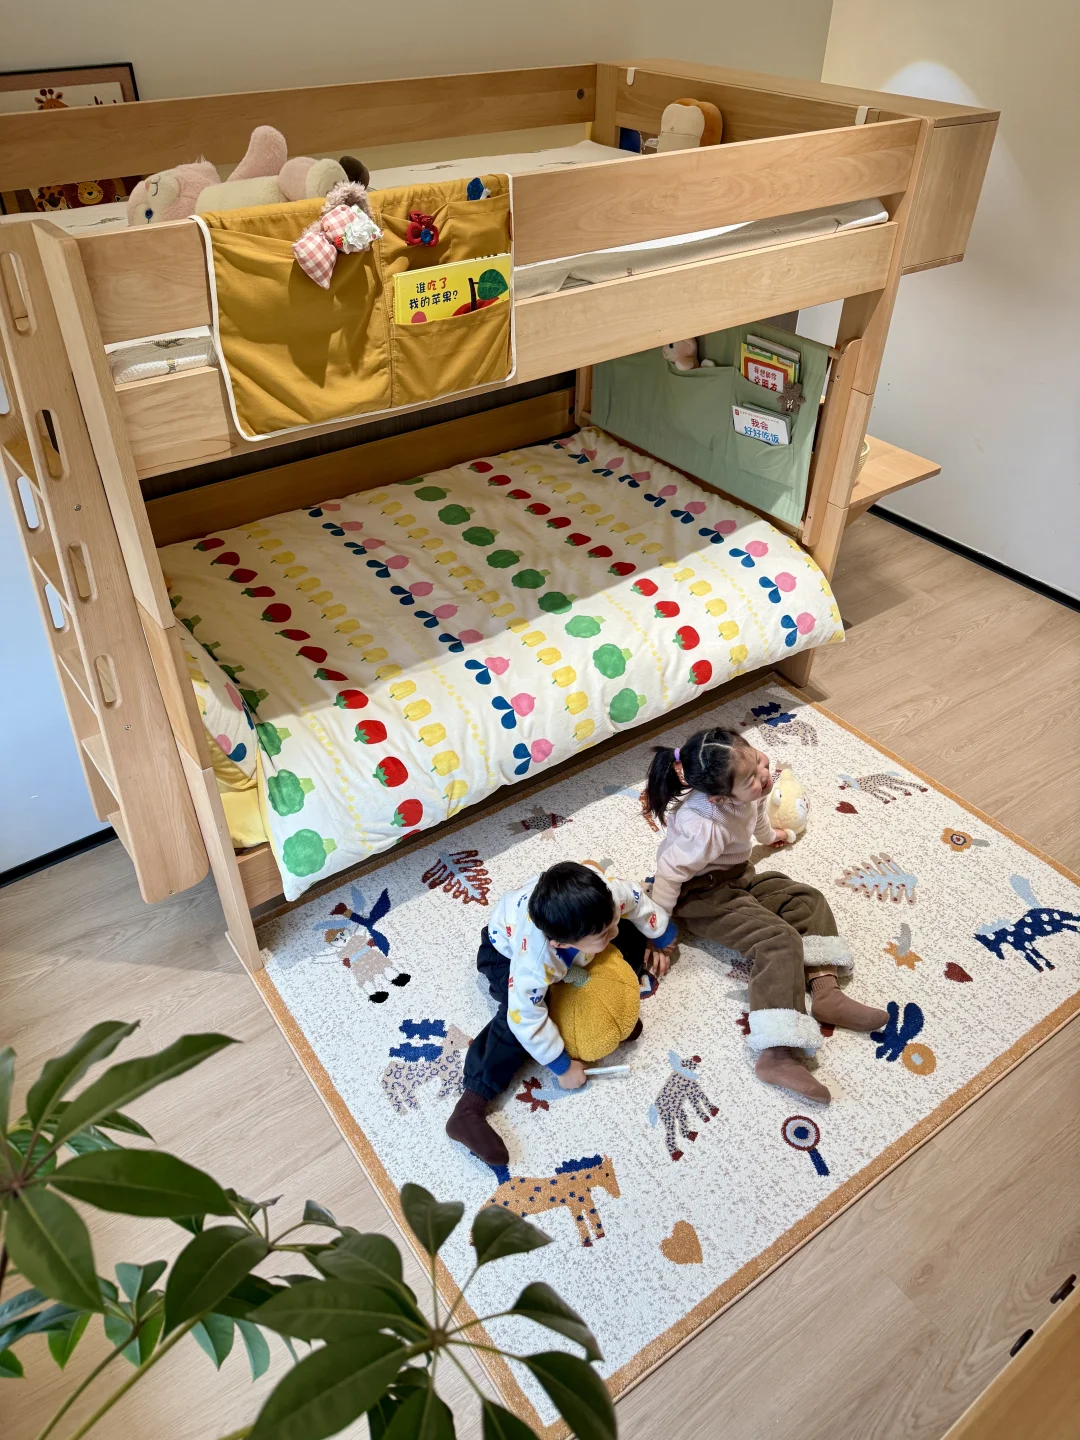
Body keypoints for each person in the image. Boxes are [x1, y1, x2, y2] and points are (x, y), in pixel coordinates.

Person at [645, 726, 888, 1104]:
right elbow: (668, 875)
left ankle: (825, 991)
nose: (764, 775)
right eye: (752, 779)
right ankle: (775, 1055)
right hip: (700, 895)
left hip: (737, 876)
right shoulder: (702, 825)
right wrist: (657, 932)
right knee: (777, 940)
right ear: (721, 796)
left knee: (807, 900)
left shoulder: (752, 789)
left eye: (759, 760)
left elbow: (755, 817)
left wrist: (770, 834)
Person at [446, 860, 677, 1164]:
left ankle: (607, 1010)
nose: (613, 930)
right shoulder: (534, 962)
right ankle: (469, 1107)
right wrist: (562, 1067)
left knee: (627, 937)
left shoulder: (607, 896)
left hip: (572, 926)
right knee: (516, 1021)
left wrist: (660, 936)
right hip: (504, 953)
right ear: (561, 944)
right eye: (604, 933)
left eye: (611, 922)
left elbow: (635, 899)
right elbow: (525, 1018)